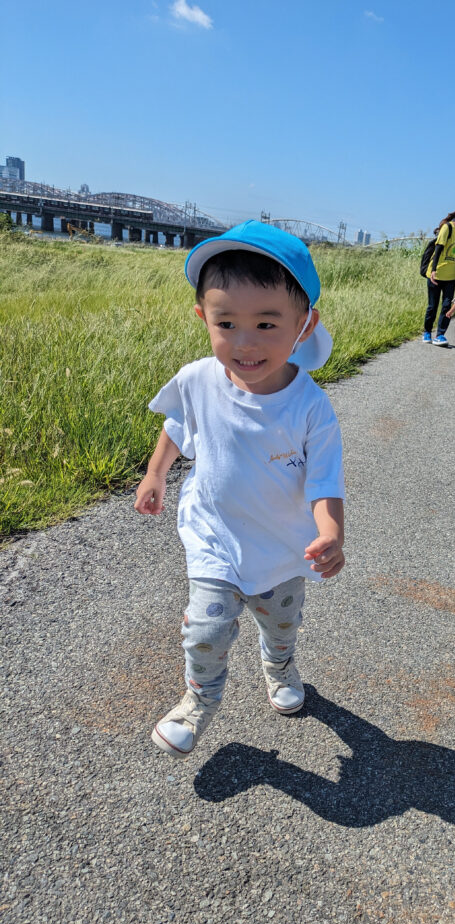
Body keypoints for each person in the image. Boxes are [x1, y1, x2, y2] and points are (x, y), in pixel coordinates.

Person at [134, 221, 346, 759]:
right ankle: (197, 701)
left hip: (281, 549)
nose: (245, 343)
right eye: (226, 322)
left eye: (267, 324)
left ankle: (279, 666)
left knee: (280, 625)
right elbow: (178, 426)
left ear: (304, 324)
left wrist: (330, 530)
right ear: (202, 317)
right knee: (204, 630)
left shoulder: (310, 407)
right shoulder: (197, 379)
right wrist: (156, 472)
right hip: (214, 536)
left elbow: (324, 479)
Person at [422, 197, 455, 346]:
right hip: (436, 273)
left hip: (451, 276)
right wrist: (432, 270)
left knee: (447, 306)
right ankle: (427, 331)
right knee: (432, 306)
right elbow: (438, 249)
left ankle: (440, 334)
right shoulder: (448, 228)